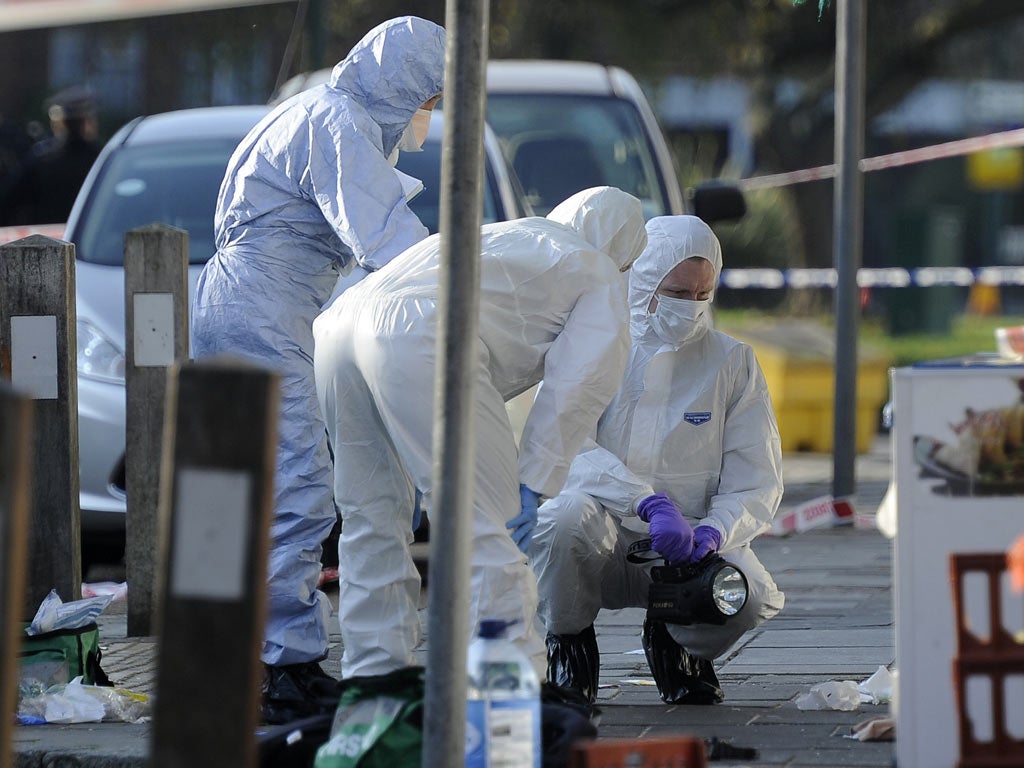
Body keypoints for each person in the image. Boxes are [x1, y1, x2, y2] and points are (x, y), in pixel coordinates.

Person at [189, 16, 446, 724]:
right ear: (405, 88)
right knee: (295, 487)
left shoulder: (311, 110)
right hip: (265, 316)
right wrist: (460, 286)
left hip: (240, 306)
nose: (429, 116)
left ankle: (224, 664)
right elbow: (389, 242)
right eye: (430, 100)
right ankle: (286, 670)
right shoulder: (338, 126)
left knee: (232, 494)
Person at [312, 186, 648, 680]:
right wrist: (535, 479)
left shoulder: (511, 236)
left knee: (370, 519)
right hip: (421, 336)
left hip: (340, 325)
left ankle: (374, 681)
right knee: (488, 530)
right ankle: (503, 706)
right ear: (624, 251)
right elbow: (579, 385)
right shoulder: (596, 270)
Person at [531, 214, 786, 705]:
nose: (689, 307)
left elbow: (757, 479)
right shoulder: (595, 345)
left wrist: (715, 531)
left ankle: (676, 642)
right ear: (643, 279)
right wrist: (644, 502)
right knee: (562, 518)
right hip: (598, 538)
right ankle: (569, 645)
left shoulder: (731, 362)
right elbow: (563, 446)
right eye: (676, 292)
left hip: (685, 552)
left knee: (751, 595)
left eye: (700, 294)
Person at [2, 85, 100, 225]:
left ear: (60, 123)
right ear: (87, 122)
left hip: (46, 243)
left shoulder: (42, 159)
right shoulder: (100, 160)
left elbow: (8, 200)